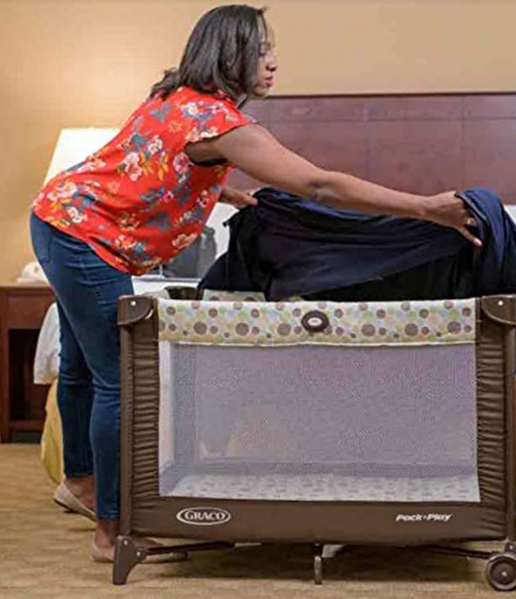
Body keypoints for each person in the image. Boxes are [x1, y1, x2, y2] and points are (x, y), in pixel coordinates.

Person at [30, 4, 480, 563]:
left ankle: (79, 482)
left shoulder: (174, 96)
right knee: (118, 379)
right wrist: (426, 208)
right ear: (231, 53)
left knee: (80, 365)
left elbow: (148, 161)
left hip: (57, 216)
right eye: (262, 50)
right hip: (84, 237)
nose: (273, 62)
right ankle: (112, 532)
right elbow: (320, 185)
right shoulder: (220, 124)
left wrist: (212, 190)